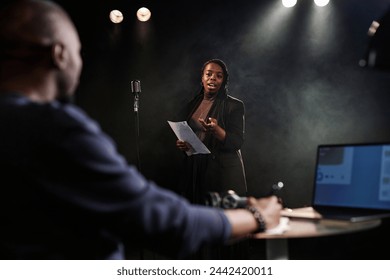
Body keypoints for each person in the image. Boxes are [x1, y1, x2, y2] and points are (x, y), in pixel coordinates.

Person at [0, 0, 281, 260]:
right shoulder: (57, 128)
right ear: (59, 55)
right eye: (78, 52)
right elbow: (157, 219)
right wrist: (257, 217)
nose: (212, 79)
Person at [175, 59, 247, 205]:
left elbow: (237, 142)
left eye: (219, 76)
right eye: (209, 74)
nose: (213, 78)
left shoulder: (234, 105)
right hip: (195, 169)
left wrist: (216, 130)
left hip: (219, 171)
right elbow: (192, 136)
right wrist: (183, 144)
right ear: (202, 78)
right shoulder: (192, 104)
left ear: (223, 81)